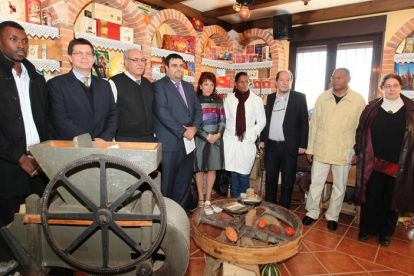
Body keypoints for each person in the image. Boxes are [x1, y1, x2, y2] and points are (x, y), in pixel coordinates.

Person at [0, 21, 53, 273]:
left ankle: (43, 262)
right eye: (13, 39)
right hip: (7, 161)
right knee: (6, 221)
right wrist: (19, 157)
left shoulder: (34, 74)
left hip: (38, 158)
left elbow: (45, 117)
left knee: (43, 213)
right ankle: (8, 267)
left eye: (24, 40)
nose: (20, 45)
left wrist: (44, 154)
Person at [353, 74, 414, 246]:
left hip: (399, 164)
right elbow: (361, 131)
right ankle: (366, 229)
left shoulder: (411, 109)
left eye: (395, 85)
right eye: (388, 86)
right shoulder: (371, 107)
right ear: (382, 88)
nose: (392, 89)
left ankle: (385, 234)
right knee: (371, 197)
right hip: (374, 162)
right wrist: (359, 150)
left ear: (401, 87)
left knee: (391, 200)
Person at [302, 68, 366, 231]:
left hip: (344, 150)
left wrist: (358, 151)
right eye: (333, 77)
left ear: (348, 79)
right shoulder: (322, 98)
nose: (336, 80)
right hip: (321, 148)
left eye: (340, 77)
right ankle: (312, 212)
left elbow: (362, 129)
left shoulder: (358, 100)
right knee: (316, 183)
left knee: (340, 186)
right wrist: (310, 148)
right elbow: (314, 125)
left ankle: (333, 216)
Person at [153, 53, 202, 208]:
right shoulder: (159, 86)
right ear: (166, 68)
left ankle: (179, 214)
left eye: (181, 65)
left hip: (188, 144)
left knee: (184, 182)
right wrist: (183, 131)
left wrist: (194, 128)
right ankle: (166, 218)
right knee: (167, 184)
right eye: (174, 65)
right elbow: (162, 112)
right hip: (170, 144)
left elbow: (198, 111)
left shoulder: (188, 87)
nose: (179, 69)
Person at [47, 38, 118, 141]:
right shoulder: (56, 84)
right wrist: (88, 141)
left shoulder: (104, 85)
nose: (84, 57)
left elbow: (113, 114)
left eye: (88, 54)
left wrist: (104, 138)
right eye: (79, 53)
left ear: (94, 58)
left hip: (101, 145)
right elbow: (60, 119)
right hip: (72, 147)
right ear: (70, 58)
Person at [259, 70, 309, 209]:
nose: (285, 83)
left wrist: (303, 144)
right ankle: (270, 207)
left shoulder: (299, 98)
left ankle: (285, 208)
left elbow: (304, 123)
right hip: (272, 147)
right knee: (271, 179)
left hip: (289, 146)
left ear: (291, 82)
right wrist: (263, 139)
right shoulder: (270, 98)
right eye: (282, 80)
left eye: (288, 80)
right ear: (276, 82)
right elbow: (266, 121)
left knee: (287, 181)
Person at [223, 72, 266, 198]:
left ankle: (245, 203)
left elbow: (262, 121)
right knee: (233, 174)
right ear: (235, 84)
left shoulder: (256, 100)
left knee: (243, 174)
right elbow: (225, 119)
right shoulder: (229, 100)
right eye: (241, 82)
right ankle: (236, 202)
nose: (244, 84)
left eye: (246, 81)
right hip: (231, 140)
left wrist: (252, 133)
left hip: (246, 141)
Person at [109, 49, 156, 142]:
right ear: (126, 62)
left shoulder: (147, 83)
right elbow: (109, 113)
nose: (140, 63)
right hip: (126, 138)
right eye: (135, 60)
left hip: (149, 138)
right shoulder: (115, 82)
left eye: (143, 60)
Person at [194, 72, 226, 207]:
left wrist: (218, 135)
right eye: (206, 84)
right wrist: (206, 136)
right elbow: (194, 122)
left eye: (212, 85)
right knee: (200, 169)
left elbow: (223, 120)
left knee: (212, 169)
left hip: (216, 139)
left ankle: (208, 198)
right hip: (200, 139)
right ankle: (201, 198)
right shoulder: (195, 100)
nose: (209, 87)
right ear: (200, 85)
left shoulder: (219, 101)